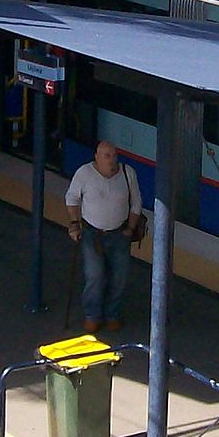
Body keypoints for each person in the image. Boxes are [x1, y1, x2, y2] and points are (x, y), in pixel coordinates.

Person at [65, 140, 144, 332]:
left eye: (114, 155)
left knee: (120, 276)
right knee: (95, 275)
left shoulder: (128, 173)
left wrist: (130, 228)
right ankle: (92, 315)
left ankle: (112, 314)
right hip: (92, 234)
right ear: (97, 157)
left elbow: (136, 203)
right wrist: (75, 224)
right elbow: (72, 198)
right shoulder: (84, 173)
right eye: (107, 156)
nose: (112, 160)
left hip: (119, 234)